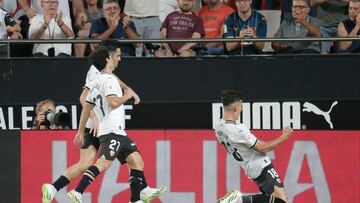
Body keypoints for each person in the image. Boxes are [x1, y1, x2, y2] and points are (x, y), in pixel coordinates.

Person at [42, 42, 166, 203]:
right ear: (108, 56)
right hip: (99, 125)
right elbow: (84, 98)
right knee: (98, 163)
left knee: (126, 160)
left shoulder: (104, 74)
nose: (120, 58)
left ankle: (53, 188)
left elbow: (113, 81)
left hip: (104, 125)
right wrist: (93, 121)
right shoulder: (96, 73)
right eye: (118, 55)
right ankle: (76, 191)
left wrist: (130, 91)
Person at [215, 89, 293, 203]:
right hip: (262, 167)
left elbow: (228, 149)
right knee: (282, 201)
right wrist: (284, 136)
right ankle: (239, 200)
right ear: (235, 108)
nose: (241, 109)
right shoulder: (238, 130)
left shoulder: (219, 128)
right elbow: (262, 148)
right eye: (241, 107)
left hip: (251, 170)